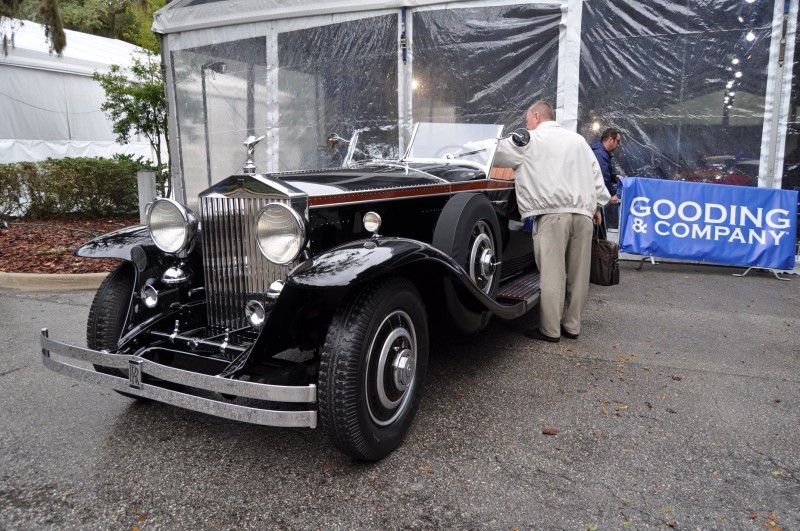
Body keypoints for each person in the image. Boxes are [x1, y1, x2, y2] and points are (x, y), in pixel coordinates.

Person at [494, 101, 611, 342]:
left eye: (527, 120)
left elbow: (495, 154)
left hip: (552, 214)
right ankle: (572, 326)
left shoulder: (530, 139)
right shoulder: (578, 140)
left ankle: (550, 330)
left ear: (536, 116)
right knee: (579, 275)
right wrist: (598, 205)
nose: (526, 124)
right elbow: (595, 175)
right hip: (583, 214)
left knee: (552, 273)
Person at [590, 128, 622, 230]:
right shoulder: (600, 154)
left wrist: (614, 177)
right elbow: (603, 177)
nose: (618, 145)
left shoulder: (600, 152)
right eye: (618, 141)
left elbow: (604, 171)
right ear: (610, 140)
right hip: (591, 201)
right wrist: (613, 194)